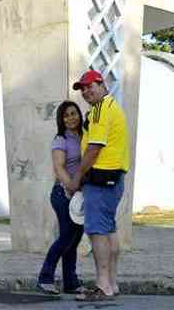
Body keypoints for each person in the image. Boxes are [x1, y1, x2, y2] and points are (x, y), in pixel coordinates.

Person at [70, 70, 130, 302]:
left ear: (101, 84)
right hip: (113, 177)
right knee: (109, 230)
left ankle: (102, 284)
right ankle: (111, 283)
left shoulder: (101, 110)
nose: (86, 91)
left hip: (100, 178)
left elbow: (94, 149)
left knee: (97, 231)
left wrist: (77, 177)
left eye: (89, 86)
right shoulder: (110, 107)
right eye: (82, 89)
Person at [36, 101, 88, 295]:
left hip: (79, 197)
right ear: (61, 119)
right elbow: (59, 168)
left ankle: (70, 282)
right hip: (63, 194)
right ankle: (45, 277)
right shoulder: (60, 139)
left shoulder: (84, 136)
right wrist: (72, 187)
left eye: (73, 113)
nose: (71, 118)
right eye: (66, 115)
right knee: (66, 237)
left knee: (74, 240)